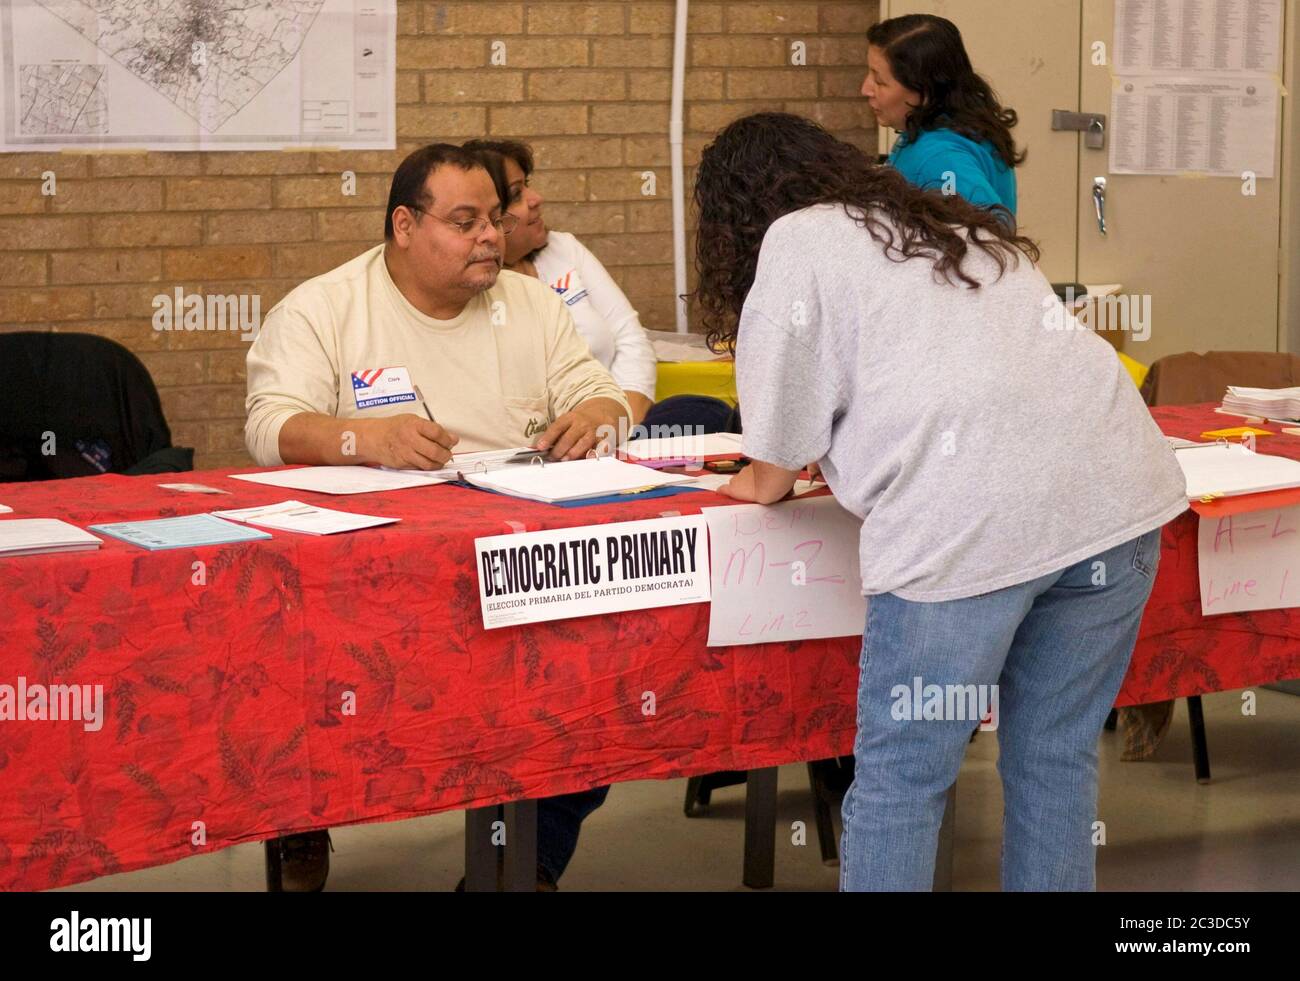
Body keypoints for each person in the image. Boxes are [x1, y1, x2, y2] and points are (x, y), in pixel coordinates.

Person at [693, 112, 1188, 891]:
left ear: (734, 214)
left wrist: (748, 478)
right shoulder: (951, 225)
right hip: (1120, 496)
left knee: (902, 779)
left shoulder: (794, 238)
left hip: (971, 526)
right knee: (1054, 757)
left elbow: (777, 450)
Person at [244, 143, 630, 890]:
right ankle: (300, 811)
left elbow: (603, 393)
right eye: (465, 221)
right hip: (364, 576)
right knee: (292, 668)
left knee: (600, 684)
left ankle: (524, 864)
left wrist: (597, 415)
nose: (491, 235)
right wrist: (364, 438)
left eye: (495, 217)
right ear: (403, 226)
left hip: (514, 568)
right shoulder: (324, 307)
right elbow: (270, 422)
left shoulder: (532, 304)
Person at [463, 138, 737, 439]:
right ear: (492, 219)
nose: (536, 198)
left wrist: (620, 424)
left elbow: (630, 337)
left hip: (616, 423)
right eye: (517, 194)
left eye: (528, 184)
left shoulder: (562, 248)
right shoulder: (479, 284)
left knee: (705, 413)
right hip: (550, 441)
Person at [863, 14, 1022, 221]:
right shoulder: (940, 127)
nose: (866, 89)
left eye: (880, 81)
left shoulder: (941, 157)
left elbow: (989, 229)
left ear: (925, 92)